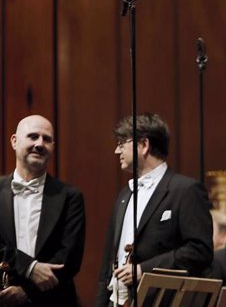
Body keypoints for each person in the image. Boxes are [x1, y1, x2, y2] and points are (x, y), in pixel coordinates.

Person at [95, 113, 213, 306]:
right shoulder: (124, 195)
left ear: (143, 145)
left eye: (122, 143)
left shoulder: (186, 190)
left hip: (161, 300)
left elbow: (199, 251)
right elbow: (108, 263)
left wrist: (144, 270)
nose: (117, 151)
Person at [0, 115, 85, 307]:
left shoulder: (70, 196)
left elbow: (69, 259)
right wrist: (29, 267)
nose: (40, 144)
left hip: (52, 301)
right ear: (14, 141)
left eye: (46, 139)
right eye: (32, 136)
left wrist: (27, 291)